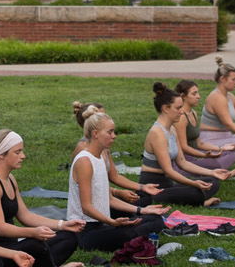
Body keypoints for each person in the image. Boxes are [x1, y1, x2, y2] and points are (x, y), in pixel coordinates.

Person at [0, 130, 85, 267]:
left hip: (14, 249)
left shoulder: (10, 179)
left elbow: (25, 215)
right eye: (17, 152)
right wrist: (33, 232)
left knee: (68, 237)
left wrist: (62, 225)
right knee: (35, 244)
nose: (23, 156)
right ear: (1, 155)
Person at [66, 107, 166, 252]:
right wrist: (112, 222)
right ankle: (130, 237)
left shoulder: (100, 156)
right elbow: (86, 207)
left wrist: (142, 210)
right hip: (84, 231)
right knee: (130, 231)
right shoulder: (85, 161)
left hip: (102, 224)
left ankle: (132, 234)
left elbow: (110, 199)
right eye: (110, 132)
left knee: (155, 219)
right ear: (95, 134)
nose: (114, 136)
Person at [140, 84, 234, 208]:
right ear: (166, 108)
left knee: (212, 182)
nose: (182, 111)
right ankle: (199, 201)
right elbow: (168, 172)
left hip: (168, 186)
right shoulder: (157, 133)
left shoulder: (172, 129)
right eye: (178, 108)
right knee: (196, 190)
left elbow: (183, 163)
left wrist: (212, 172)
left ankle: (196, 197)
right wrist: (193, 184)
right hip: (154, 190)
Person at [171, 81, 235, 176]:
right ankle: (224, 173)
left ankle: (213, 170)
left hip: (194, 159)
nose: (198, 96)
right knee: (212, 163)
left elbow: (199, 143)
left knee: (230, 154)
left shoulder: (193, 113)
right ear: (183, 95)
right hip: (181, 163)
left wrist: (221, 148)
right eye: (194, 94)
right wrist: (204, 155)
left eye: (198, 93)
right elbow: (183, 147)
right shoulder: (181, 117)